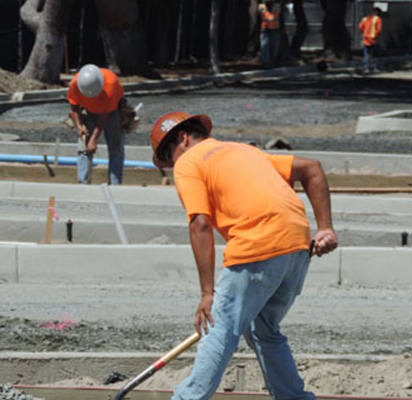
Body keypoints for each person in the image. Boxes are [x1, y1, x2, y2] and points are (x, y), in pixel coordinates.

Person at [149, 111, 338, 400]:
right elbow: (312, 168)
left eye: (168, 155)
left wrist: (207, 293)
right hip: (297, 246)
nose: (173, 163)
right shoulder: (245, 151)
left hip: (258, 244)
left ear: (183, 138)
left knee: (218, 327)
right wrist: (325, 228)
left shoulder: (188, 162)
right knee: (264, 329)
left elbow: (200, 224)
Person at [67, 64, 125, 185]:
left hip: (111, 113)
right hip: (89, 111)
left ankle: (115, 184)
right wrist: (79, 126)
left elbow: (106, 115)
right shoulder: (76, 84)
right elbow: (74, 105)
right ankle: (83, 183)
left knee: (115, 148)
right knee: (83, 149)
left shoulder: (111, 83)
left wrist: (93, 139)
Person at [358, 7, 383, 72]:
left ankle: (367, 68)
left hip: (365, 39)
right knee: (375, 54)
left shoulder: (365, 18)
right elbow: (379, 29)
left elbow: (360, 27)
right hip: (373, 39)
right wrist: (376, 35)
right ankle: (375, 67)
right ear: (378, 13)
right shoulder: (378, 19)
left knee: (366, 54)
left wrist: (364, 33)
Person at [258, 0, 281, 68]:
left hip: (275, 29)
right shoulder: (262, 6)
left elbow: (280, 17)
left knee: (274, 47)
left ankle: (272, 62)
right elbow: (258, 18)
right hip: (265, 29)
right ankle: (266, 62)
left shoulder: (276, 6)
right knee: (265, 47)